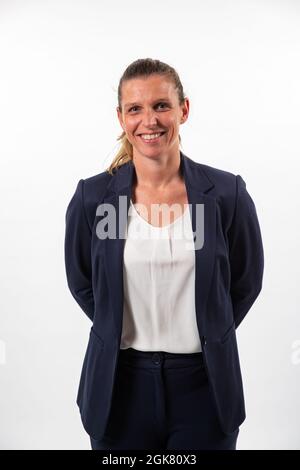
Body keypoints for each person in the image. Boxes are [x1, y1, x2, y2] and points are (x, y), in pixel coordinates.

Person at [64, 58, 264, 450]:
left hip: (204, 388)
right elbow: (85, 282)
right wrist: (114, 322)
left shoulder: (225, 195)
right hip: (119, 389)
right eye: (135, 109)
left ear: (183, 110)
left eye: (161, 105)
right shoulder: (95, 199)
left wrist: (208, 328)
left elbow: (244, 283)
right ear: (121, 118)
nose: (149, 120)